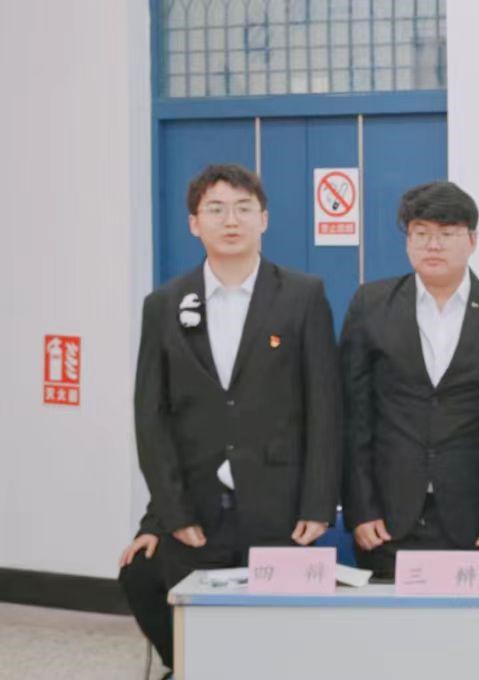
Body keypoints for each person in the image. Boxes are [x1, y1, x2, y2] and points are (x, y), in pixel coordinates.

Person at [120, 163, 341, 676]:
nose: (231, 220)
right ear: (194, 223)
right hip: (196, 511)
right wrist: (168, 515)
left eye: (244, 208)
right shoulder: (164, 305)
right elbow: (151, 417)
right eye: (215, 209)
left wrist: (318, 502)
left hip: (281, 506)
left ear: (264, 219)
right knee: (160, 594)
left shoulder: (303, 295)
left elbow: (325, 407)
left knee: (282, 637)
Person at [340, 180, 479, 578]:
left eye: (447, 234)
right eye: (421, 233)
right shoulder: (370, 304)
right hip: (386, 521)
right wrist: (360, 508)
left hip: (476, 519)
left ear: (472, 240)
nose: (433, 245)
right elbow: (352, 413)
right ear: (408, 241)